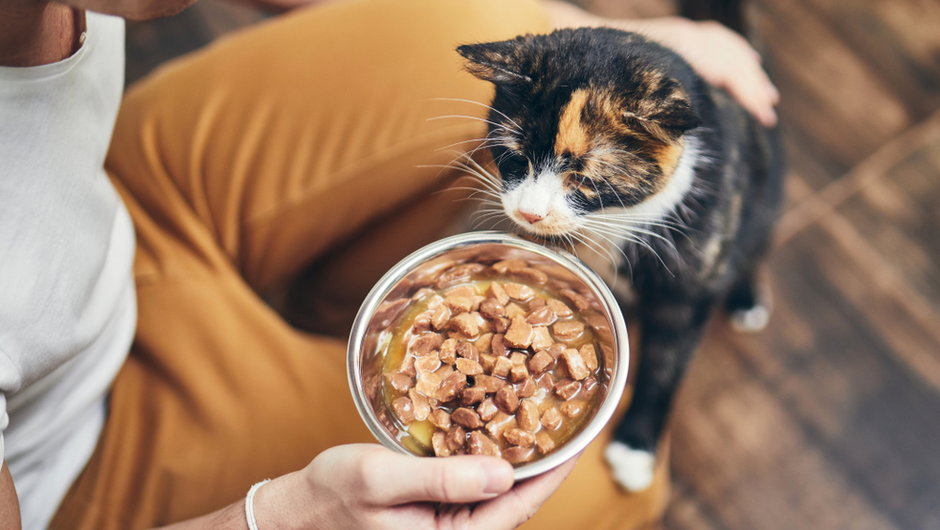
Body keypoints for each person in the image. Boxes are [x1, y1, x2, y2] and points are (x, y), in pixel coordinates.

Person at [0, 0, 778, 528]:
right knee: (606, 489)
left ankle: (315, 302)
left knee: (493, 14)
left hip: (109, 197)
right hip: (73, 464)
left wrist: (596, 46)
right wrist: (282, 517)